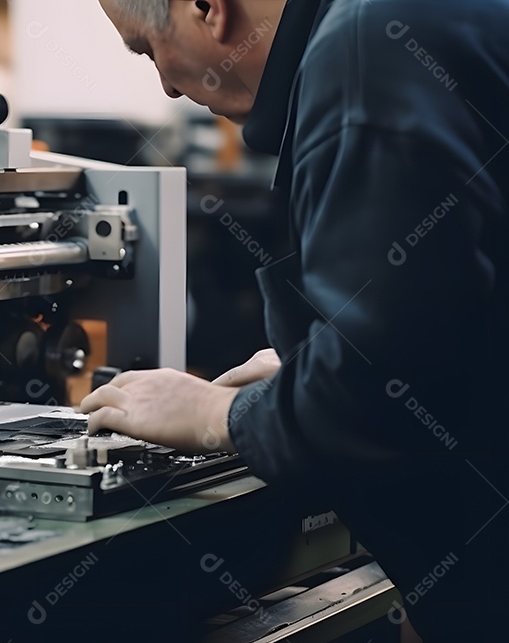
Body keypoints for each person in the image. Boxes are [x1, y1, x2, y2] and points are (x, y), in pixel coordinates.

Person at [80, 0, 509, 640]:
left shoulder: (365, 49)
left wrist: (219, 413)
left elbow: (376, 392)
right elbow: (457, 317)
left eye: (147, 47)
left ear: (207, 8)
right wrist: (309, 368)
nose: (165, 85)